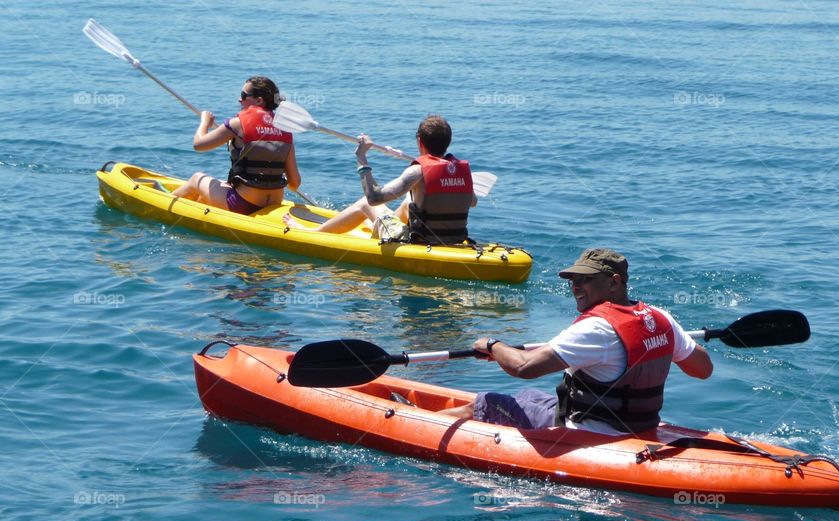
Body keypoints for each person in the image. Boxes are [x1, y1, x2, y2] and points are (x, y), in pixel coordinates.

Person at [443, 248, 714, 435]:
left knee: (487, 403)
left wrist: (492, 345)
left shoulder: (596, 328)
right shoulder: (661, 318)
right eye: (572, 280)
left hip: (591, 433)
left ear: (614, 282)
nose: (575, 287)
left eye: (585, 280)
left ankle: (412, 423)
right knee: (529, 397)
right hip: (640, 426)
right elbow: (703, 370)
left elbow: (523, 368)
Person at [284, 115, 476, 243]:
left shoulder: (417, 172)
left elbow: (374, 198)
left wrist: (361, 157)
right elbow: (472, 201)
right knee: (410, 199)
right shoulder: (462, 171)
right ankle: (377, 223)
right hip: (454, 240)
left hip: (422, 241)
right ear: (447, 141)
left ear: (419, 141)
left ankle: (312, 234)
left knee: (366, 205)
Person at [171, 76, 301, 214]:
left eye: (244, 95)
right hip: (274, 203)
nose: (239, 99)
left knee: (197, 179)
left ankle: (164, 204)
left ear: (259, 100)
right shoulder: (285, 129)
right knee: (209, 194)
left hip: (243, 205)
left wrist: (205, 121)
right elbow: (294, 184)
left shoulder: (237, 124)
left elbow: (198, 145)